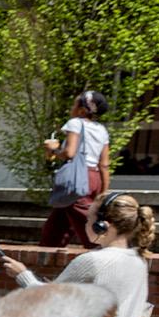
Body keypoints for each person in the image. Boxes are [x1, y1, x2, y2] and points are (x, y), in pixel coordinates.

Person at [2, 192, 155, 317]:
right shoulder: (138, 261)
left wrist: (21, 274)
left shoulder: (93, 261)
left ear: (103, 225)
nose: (84, 223)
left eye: (89, 218)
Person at [40, 90, 111, 248]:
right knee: (54, 230)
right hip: (95, 178)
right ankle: (47, 253)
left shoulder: (75, 123)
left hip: (78, 178)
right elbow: (104, 164)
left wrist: (53, 150)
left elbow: (69, 153)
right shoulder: (102, 130)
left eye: (74, 104)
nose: (72, 107)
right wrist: (103, 192)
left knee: (88, 223)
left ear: (82, 109)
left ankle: (105, 250)